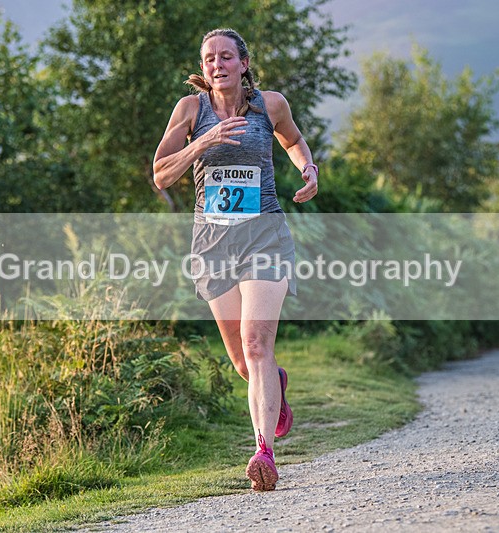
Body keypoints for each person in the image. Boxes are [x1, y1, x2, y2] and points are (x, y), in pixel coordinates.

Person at [152, 28, 318, 491]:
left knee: (256, 344)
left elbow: (293, 140)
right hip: (212, 243)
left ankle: (263, 449)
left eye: (226, 57)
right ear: (203, 69)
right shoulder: (190, 111)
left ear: (244, 63)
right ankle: (274, 386)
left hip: (264, 235)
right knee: (245, 364)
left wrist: (307, 166)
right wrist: (202, 143)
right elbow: (161, 174)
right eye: (209, 59)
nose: (217, 65)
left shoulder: (271, 104)